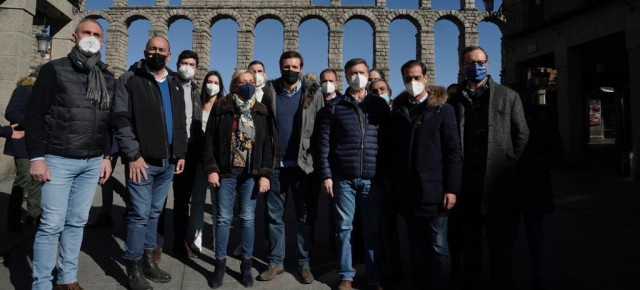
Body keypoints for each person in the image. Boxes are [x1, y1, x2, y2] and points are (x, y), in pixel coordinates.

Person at [24, 18, 115, 289]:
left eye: (97, 34)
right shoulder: (54, 70)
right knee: (51, 224)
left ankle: (67, 279)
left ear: (103, 41)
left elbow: (107, 119)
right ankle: (41, 283)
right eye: (86, 32)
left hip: (92, 161)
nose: (91, 37)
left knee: (77, 223)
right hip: (58, 159)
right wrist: (37, 157)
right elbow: (34, 115)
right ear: (75, 37)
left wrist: (107, 156)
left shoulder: (107, 76)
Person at [448, 46, 529, 290]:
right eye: (470, 63)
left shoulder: (508, 96)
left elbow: (522, 134)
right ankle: (472, 282)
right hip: (467, 185)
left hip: (498, 185)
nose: (476, 66)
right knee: (470, 244)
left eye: (481, 61)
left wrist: (508, 160)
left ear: (488, 64)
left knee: (501, 245)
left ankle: (501, 283)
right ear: (462, 66)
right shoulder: (453, 101)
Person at [113, 35, 187, 290]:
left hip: (168, 161)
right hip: (142, 161)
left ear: (169, 55)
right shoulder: (130, 79)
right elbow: (121, 118)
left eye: (162, 50)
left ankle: (148, 262)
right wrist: (132, 155)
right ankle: (132, 267)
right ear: (145, 52)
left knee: (154, 213)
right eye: (152, 49)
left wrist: (180, 153)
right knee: (139, 214)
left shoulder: (175, 81)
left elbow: (179, 121)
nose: (157, 53)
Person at [390, 60, 463, 289]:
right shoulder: (399, 111)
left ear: (425, 78)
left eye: (416, 77)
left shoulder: (443, 109)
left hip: (435, 190)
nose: (412, 82)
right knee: (416, 244)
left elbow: (453, 152)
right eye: (407, 79)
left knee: (438, 245)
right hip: (409, 190)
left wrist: (452, 189)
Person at [317, 58, 390, 290]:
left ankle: (374, 276)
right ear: (346, 76)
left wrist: (386, 174)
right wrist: (327, 175)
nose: (357, 76)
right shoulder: (335, 106)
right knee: (344, 228)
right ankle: (346, 276)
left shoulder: (379, 105)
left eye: (361, 72)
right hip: (344, 177)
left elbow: (387, 143)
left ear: (368, 75)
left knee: (372, 230)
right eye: (352, 72)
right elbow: (324, 144)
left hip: (372, 176)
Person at [257, 51, 324, 285]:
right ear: (280, 67)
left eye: (295, 67)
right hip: (277, 164)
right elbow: (263, 129)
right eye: (286, 66)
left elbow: (321, 130)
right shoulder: (270, 91)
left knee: (304, 217)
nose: (291, 70)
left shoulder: (314, 92)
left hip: (303, 166)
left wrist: (318, 164)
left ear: (301, 68)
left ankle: (304, 264)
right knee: (275, 217)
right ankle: (276, 262)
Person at [202, 69, 273, 288]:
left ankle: (246, 264)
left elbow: (267, 145)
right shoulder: (222, 106)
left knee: (247, 218)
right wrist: (212, 168)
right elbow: (209, 141)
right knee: (223, 218)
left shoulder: (261, 110)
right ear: (235, 85)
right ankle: (220, 264)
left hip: (250, 173)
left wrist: (264, 174)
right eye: (243, 82)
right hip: (226, 171)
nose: (248, 85)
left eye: (251, 81)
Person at [156, 50, 203, 259]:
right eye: (183, 63)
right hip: (167, 149)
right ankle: (155, 244)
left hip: (188, 151)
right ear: (177, 64)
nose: (187, 66)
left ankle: (179, 241)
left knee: (182, 200)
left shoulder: (195, 89)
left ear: (196, 68)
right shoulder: (167, 83)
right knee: (160, 199)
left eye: (191, 64)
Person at [514, 104, 563, 290]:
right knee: (509, 237)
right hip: (510, 187)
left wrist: (533, 167)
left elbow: (557, 154)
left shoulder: (542, 125)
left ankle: (537, 276)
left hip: (533, 187)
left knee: (534, 235)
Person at [188, 70, 225, 256]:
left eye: (216, 82)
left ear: (221, 86)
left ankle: (219, 238)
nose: (212, 85)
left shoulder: (224, 105)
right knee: (197, 200)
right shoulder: (197, 104)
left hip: (217, 161)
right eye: (209, 81)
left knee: (219, 203)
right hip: (197, 158)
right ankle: (196, 236)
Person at [5, 74, 41, 232]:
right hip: (22, 141)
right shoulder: (24, 90)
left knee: (37, 180)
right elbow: (11, 112)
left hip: (38, 143)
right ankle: (13, 218)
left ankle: (34, 215)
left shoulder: (43, 92)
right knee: (24, 179)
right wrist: (31, 124)